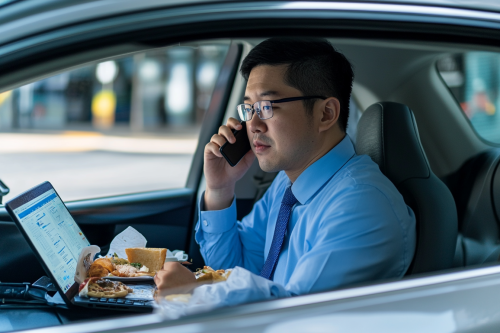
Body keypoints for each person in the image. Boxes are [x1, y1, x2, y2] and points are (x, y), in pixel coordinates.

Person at [154, 38, 416, 298]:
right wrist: (220, 189)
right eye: (249, 108)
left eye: (267, 106)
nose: (253, 124)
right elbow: (235, 268)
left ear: (326, 113)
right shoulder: (286, 184)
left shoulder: (362, 205)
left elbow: (297, 313)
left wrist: (195, 292)